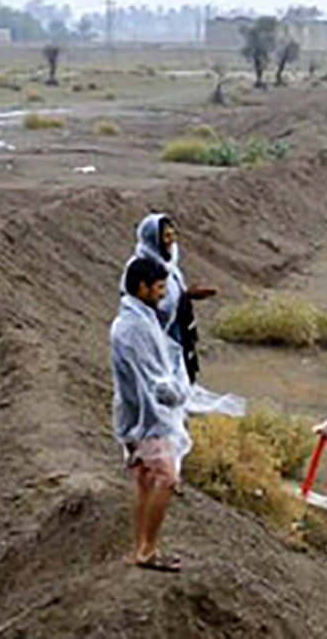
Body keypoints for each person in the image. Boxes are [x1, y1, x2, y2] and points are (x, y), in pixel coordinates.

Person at [112, 257, 192, 573]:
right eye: (158, 287)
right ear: (141, 287)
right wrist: (179, 393)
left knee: (145, 481)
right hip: (147, 419)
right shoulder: (134, 328)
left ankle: (141, 547)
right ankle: (148, 549)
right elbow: (152, 380)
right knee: (166, 479)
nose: (162, 293)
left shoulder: (135, 320)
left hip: (136, 418)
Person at [122, 213, 216, 383]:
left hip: (178, 329)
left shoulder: (167, 264)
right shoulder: (140, 268)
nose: (171, 240)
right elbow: (143, 304)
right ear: (153, 238)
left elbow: (169, 294)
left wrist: (187, 295)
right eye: (166, 236)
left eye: (173, 235)